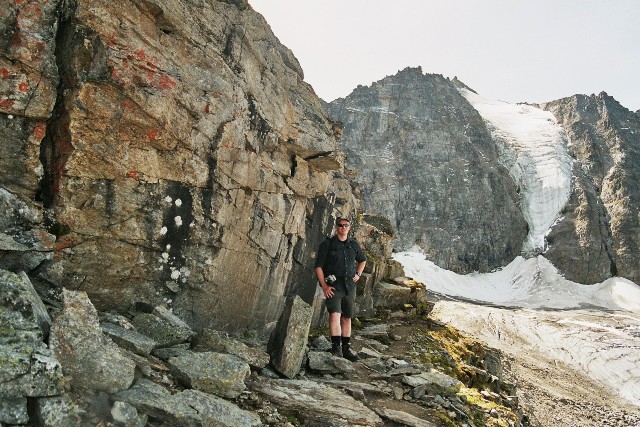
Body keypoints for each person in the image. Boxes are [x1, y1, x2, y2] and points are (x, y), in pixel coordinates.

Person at [314, 217, 367, 361]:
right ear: (336, 227)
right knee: (334, 315)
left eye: (346, 225)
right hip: (333, 285)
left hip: (349, 285)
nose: (343, 227)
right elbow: (318, 266)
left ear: (349, 227)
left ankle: (346, 349)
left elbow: (362, 260)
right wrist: (324, 286)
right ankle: (336, 348)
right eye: (340, 225)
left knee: (347, 317)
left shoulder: (353, 244)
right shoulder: (327, 244)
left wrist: (358, 274)